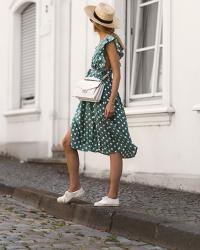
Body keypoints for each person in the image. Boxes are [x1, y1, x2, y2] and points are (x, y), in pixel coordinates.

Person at [57, 2, 138, 207]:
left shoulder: (109, 41)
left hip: (104, 100)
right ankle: (75, 188)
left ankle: (112, 196)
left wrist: (110, 103)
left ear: (95, 22)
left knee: (114, 146)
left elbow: (117, 74)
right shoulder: (103, 40)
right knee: (67, 142)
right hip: (91, 101)